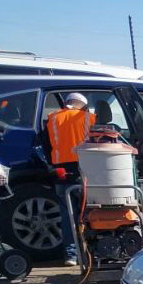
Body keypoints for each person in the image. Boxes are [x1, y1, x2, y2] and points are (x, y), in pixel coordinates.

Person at [46, 92, 93, 266]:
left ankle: (71, 255)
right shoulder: (90, 118)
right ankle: (90, 251)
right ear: (83, 104)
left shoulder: (52, 119)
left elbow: (46, 145)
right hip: (86, 171)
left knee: (67, 214)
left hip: (61, 172)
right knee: (90, 211)